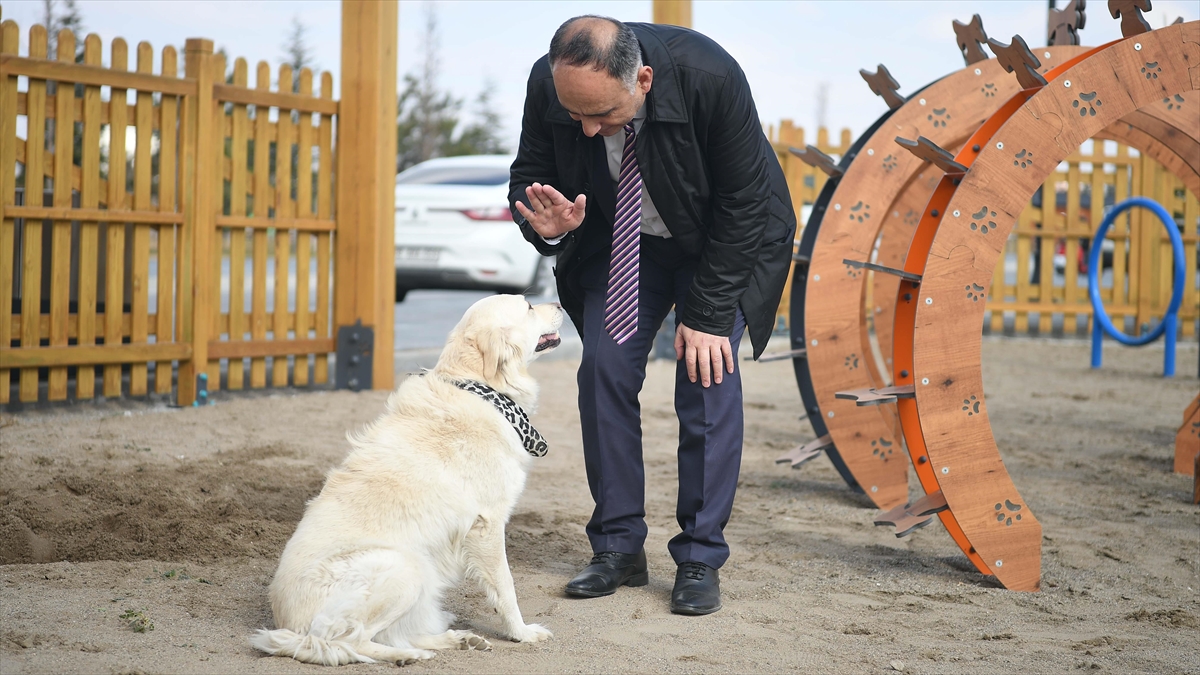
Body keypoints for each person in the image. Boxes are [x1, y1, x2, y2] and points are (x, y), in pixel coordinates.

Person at [509, 15, 795, 616]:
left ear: (642, 79)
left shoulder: (709, 76)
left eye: (602, 116)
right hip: (626, 244)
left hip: (721, 242)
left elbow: (746, 203)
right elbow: (529, 176)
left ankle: (698, 556)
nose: (586, 129)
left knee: (706, 376)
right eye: (575, 115)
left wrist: (710, 313)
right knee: (604, 372)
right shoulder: (552, 83)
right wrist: (544, 223)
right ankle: (617, 548)